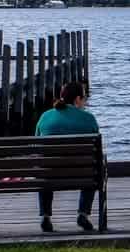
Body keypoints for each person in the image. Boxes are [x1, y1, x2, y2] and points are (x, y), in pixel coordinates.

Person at [34, 80, 100, 233]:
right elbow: (96, 150)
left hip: (49, 173)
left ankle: (45, 216)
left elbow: (37, 145)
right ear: (77, 99)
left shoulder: (45, 116)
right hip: (83, 175)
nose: (84, 102)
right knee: (93, 167)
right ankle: (83, 213)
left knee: (44, 166)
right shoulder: (88, 118)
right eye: (84, 98)